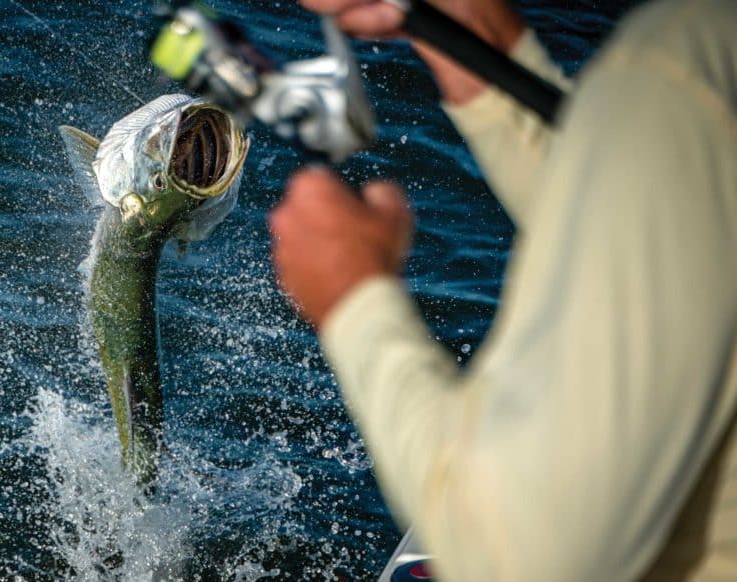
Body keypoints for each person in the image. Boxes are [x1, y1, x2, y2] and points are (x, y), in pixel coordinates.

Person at [269, 0, 737, 579]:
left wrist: (351, 298)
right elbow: (671, 233)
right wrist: (480, 51)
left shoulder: (682, 63)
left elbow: (517, 563)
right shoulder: (706, 66)